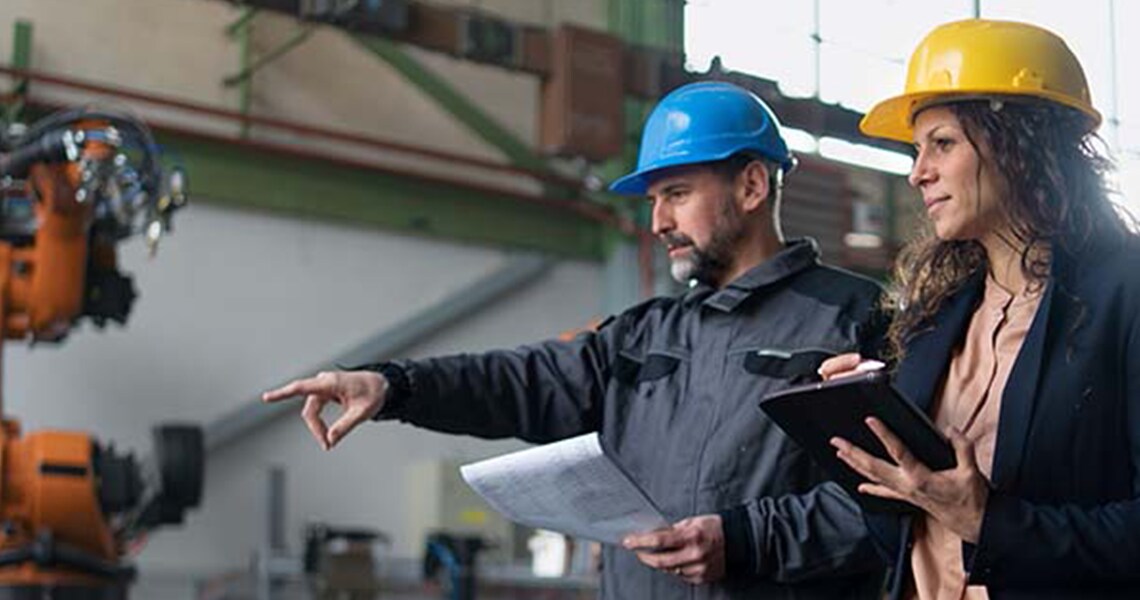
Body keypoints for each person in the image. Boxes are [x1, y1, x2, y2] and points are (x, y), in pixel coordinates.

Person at [264, 81, 887, 599]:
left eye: (676, 194)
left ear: (751, 187)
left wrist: (746, 540)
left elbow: (892, 501)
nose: (658, 221)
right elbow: (518, 381)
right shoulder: (644, 337)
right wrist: (392, 386)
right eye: (654, 200)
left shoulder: (856, 321)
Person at [818, 19, 1140, 599]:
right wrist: (873, 419)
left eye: (942, 143)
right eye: (917, 150)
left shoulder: (1126, 292)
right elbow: (899, 530)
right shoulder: (934, 318)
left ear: (1021, 145)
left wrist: (994, 525)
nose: (918, 173)